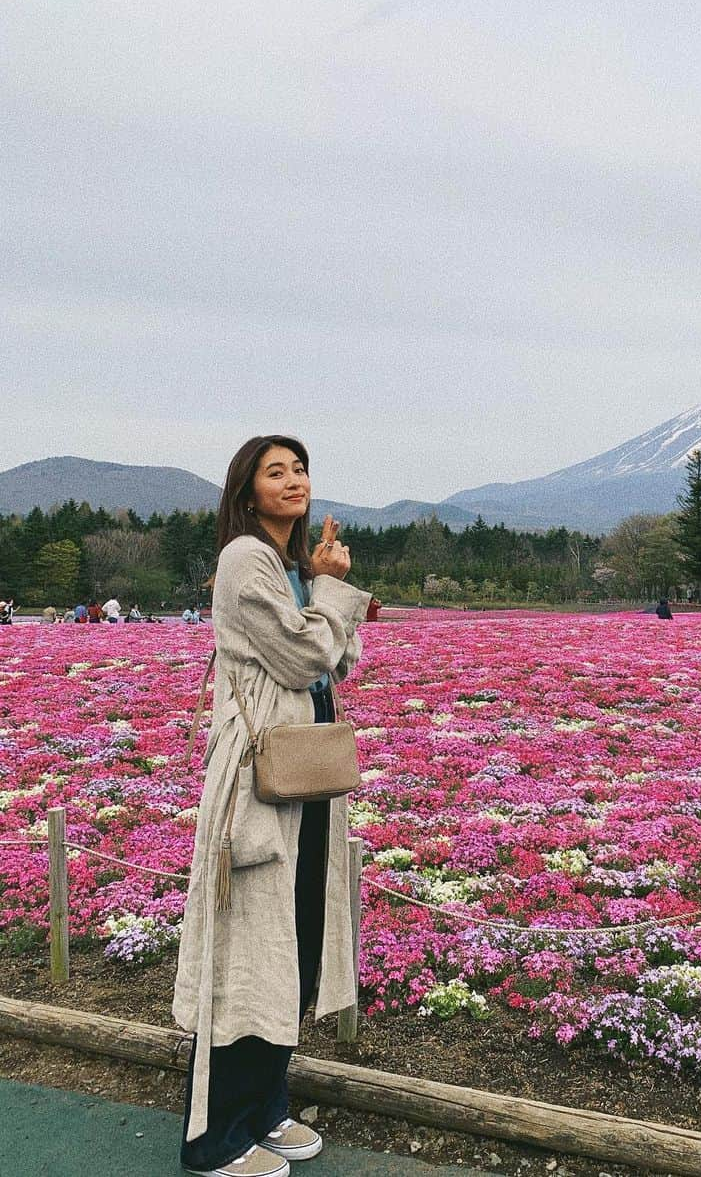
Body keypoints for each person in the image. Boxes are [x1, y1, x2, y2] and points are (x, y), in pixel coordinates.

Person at [173, 436, 373, 1177]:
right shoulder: (243, 560)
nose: (292, 481)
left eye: (299, 469)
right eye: (274, 471)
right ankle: (215, 1139)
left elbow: (338, 656)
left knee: (290, 940)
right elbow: (301, 656)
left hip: (306, 775)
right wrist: (328, 598)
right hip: (258, 779)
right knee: (247, 951)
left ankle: (264, 1111)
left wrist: (321, 589)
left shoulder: (289, 564)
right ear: (248, 491)